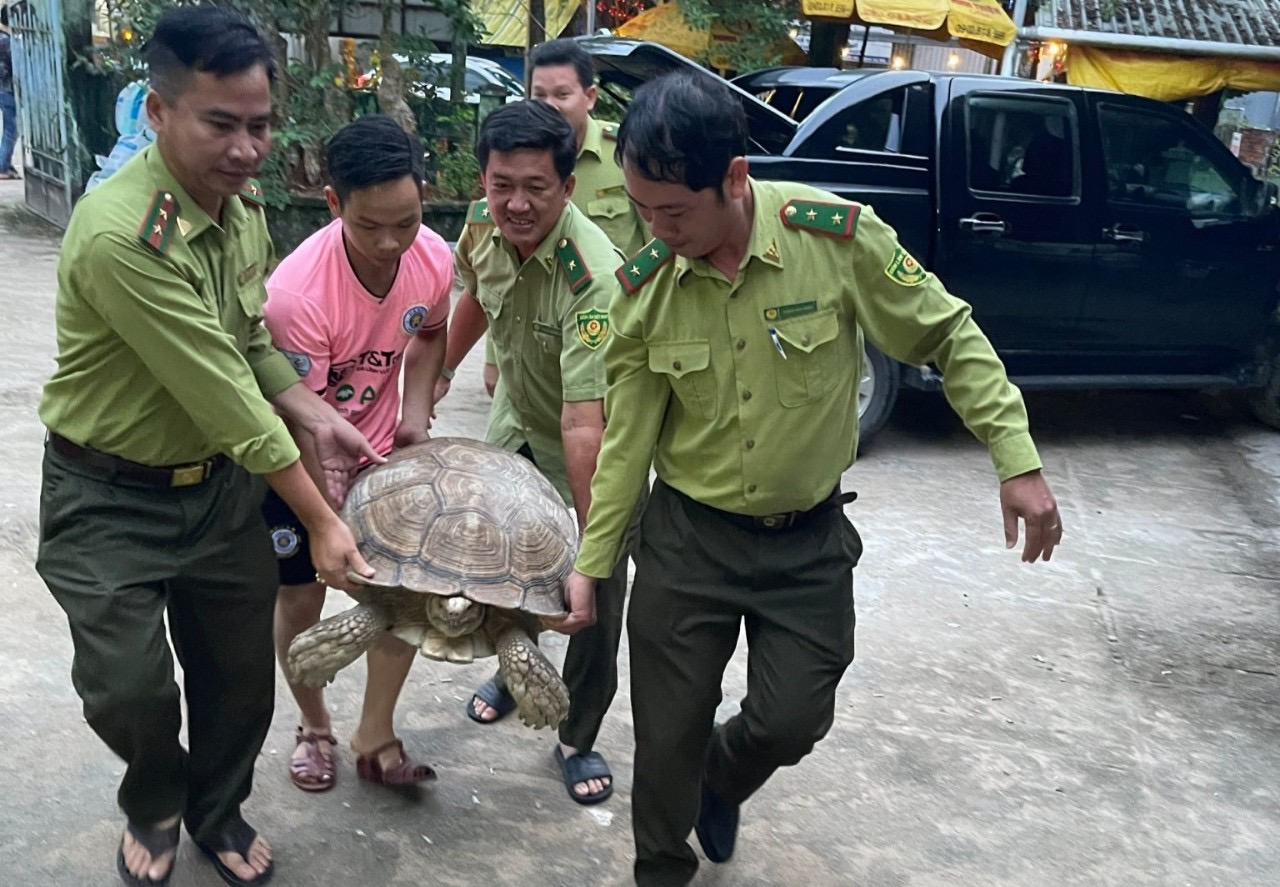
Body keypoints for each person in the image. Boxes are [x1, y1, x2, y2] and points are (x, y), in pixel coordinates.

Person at [551, 71, 1065, 886]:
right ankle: (660, 866)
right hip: (687, 542)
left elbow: (947, 332)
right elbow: (626, 443)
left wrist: (1018, 459)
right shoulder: (644, 290)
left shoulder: (834, 240)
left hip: (807, 541)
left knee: (792, 719)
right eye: (643, 208)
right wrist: (593, 561)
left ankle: (726, 776)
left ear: (734, 178)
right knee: (665, 732)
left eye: (674, 210)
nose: (655, 229)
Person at [34, 8, 381, 887]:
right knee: (127, 686)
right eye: (219, 124)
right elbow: (223, 394)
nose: (246, 148)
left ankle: (217, 808)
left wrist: (312, 408)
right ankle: (154, 799)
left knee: (237, 681)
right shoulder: (124, 235)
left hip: (219, 491)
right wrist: (317, 516)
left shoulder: (240, 207)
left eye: (259, 125)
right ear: (157, 113)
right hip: (107, 495)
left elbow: (247, 339)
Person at [435, 100, 630, 805]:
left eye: (536, 188)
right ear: (482, 181)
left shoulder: (595, 277)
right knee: (492, 563)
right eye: (500, 185)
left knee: (592, 595)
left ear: (568, 188)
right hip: (513, 422)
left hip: (593, 444)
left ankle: (577, 732)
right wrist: (435, 379)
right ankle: (514, 668)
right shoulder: (483, 226)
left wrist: (591, 548)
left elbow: (585, 426)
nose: (516, 204)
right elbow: (478, 299)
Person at [262, 113, 452, 793]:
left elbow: (432, 333)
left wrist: (415, 414)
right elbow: (297, 416)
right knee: (304, 592)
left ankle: (376, 732)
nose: (391, 242)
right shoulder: (296, 294)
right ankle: (314, 725)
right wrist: (323, 519)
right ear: (334, 203)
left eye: (406, 220)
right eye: (371, 225)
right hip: (296, 454)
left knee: (403, 593)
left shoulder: (431, 255)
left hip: (380, 456)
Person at [473, 37, 647, 447]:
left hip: (603, 326)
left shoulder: (626, 156)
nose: (550, 104)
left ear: (589, 97)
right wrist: (490, 358)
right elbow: (487, 280)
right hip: (530, 366)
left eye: (562, 94)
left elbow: (664, 245)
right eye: (539, 94)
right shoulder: (503, 173)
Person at [0, 3, 19, 179]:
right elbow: (15, 67)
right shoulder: (6, 41)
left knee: (11, 129)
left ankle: (6, 163)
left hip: (3, 89)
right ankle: (2, 166)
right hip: (8, 90)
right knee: (11, 129)